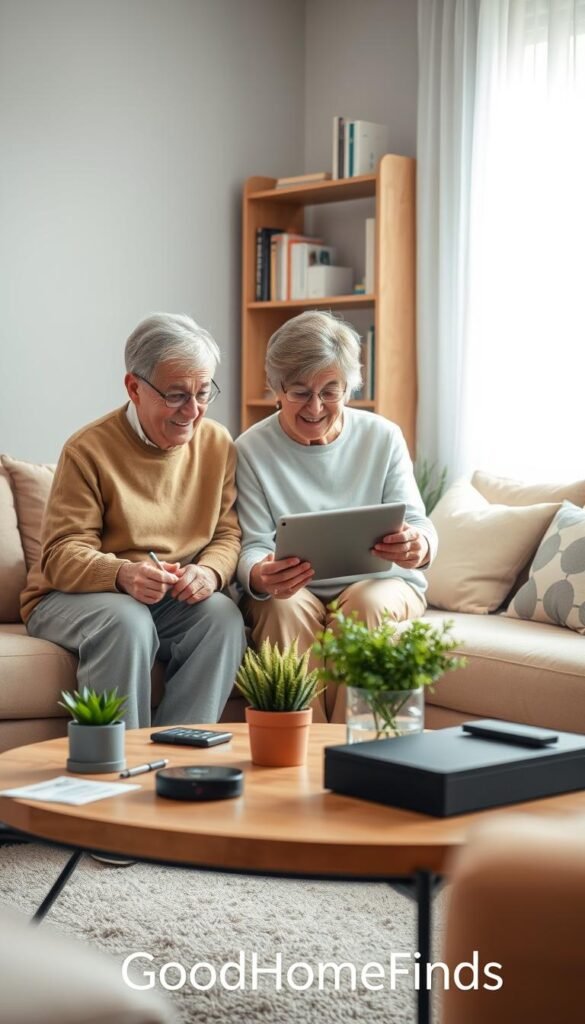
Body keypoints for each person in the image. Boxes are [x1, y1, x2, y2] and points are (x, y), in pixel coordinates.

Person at [21, 313, 246, 728]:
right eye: (176, 395)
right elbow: (59, 555)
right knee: (127, 620)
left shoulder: (217, 443)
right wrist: (123, 574)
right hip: (72, 597)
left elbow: (228, 532)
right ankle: (118, 766)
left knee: (222, 617)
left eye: (203, 393)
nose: (192, 411)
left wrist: (210, 573)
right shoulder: (88, 449)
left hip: (167, 598)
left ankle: (179, 753)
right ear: (134, 387)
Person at [235, 310, 437, 722]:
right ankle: (301, 754)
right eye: (299, 392)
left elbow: (418, 523)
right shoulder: (250, 449)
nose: (315, 407)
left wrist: (419, 544)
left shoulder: (382, 436)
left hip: (381, 584)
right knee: (281, 608)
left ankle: (353, 752)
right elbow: (254, 543)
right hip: (291, 591)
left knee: (365, 603)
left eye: (330, 391)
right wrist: (259, 574)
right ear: (276, 388)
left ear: (349, 387)